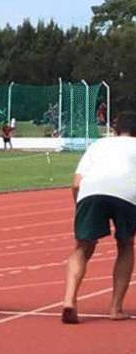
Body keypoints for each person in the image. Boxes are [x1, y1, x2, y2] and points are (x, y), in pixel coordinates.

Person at [62, 112, 136, 324]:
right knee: (125, 245)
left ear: (115, 129)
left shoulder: (98, 145)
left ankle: (69, 300)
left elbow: (76, 183)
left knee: (82, 248)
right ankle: (115, 308)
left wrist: (80, 207)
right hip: (127, 194)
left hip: (91, 191)